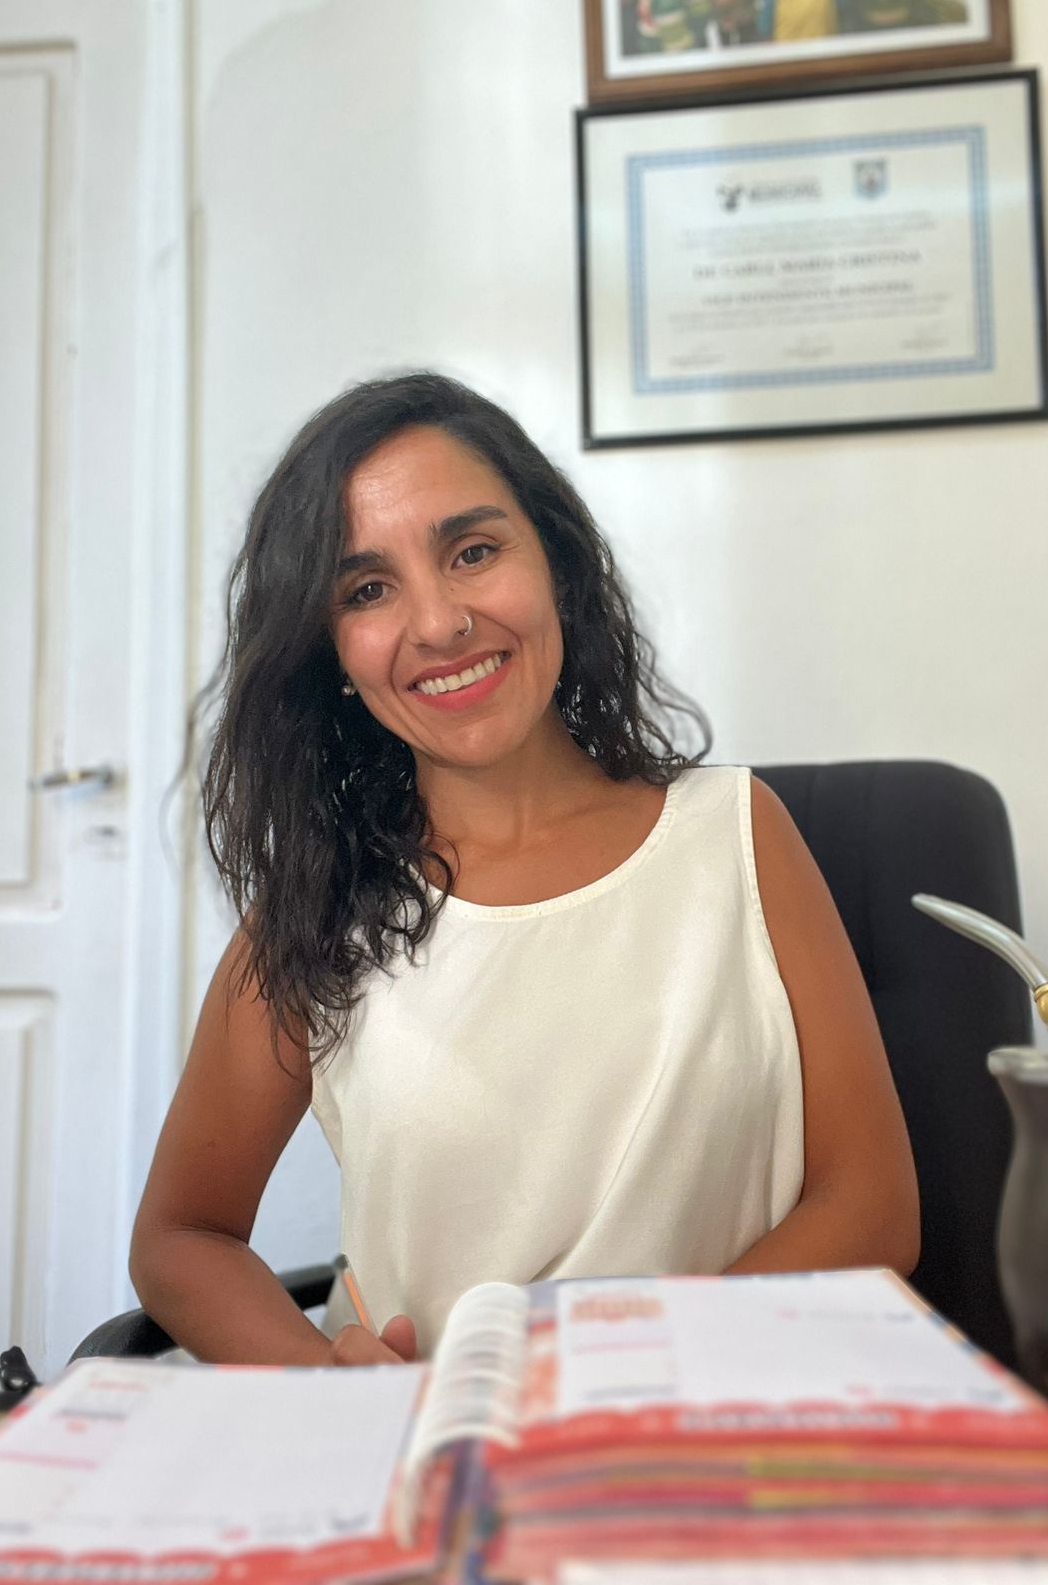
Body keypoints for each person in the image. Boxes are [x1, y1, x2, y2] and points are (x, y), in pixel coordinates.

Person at [130, 373, 918, 1367]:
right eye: (367, 590)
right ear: (332, 652)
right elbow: (182, 1236)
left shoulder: (740, 834)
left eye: (472, 551)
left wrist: (627, 1377)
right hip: (431, 1440)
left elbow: (872, 1205)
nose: (439, 623)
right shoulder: (315, 913)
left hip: (713, 1416)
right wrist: (329, 1380)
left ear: (557, 566)